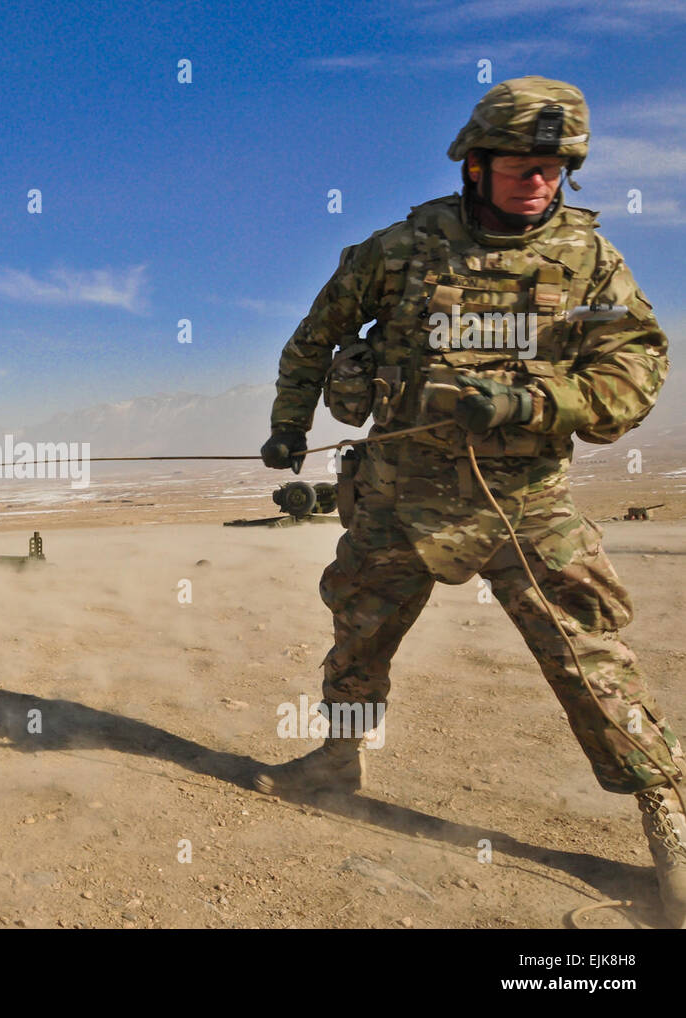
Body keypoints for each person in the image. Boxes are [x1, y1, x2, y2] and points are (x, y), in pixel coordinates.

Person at [254, 76, 685, 927]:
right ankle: (339, 760)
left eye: (556, 167)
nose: (540, 181)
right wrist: (287, 425)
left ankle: (666, 817)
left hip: (525, 504)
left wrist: (533, 404)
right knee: (358, 625)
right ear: (476, 164)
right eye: (523, 164)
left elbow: (635, 372)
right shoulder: (404, 247)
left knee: (588, 656)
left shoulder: (592, 263)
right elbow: (314, 335)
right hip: (397, 497)